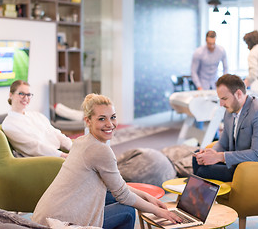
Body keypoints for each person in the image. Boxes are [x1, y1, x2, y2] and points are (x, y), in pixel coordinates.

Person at [32, 93, 181, 228]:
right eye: (102, 119)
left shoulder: (81, 141)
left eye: (113, 117)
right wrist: (159, 212)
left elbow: (117, 186)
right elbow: (123, 195)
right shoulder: (100, 150)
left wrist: (146, 196)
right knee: (128, 211)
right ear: (88, 121)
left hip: (42, 217)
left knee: (109, 195)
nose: (110, 124)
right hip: (57, 224)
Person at [192, 74, 258, 182]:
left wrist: (219, 157)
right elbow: (223, 143)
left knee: (204, 172)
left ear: (238, 94)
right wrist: (210, 154)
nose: (221, 104)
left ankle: (198, 196)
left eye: (224, 99)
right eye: (220, 99)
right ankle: (198, 197)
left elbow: (257, 155)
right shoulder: (230, 110)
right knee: (197, 160)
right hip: (241, 162)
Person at [2, 80, 72, 158]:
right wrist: (63, 155)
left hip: (58, 153)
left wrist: (72, 147)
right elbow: (34, 147)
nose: (26, 98)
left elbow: (55, 132)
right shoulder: (9, 124)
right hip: (45, 159)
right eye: (21, 94)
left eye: (28, 95)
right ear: (11, 95)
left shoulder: (36, 115)